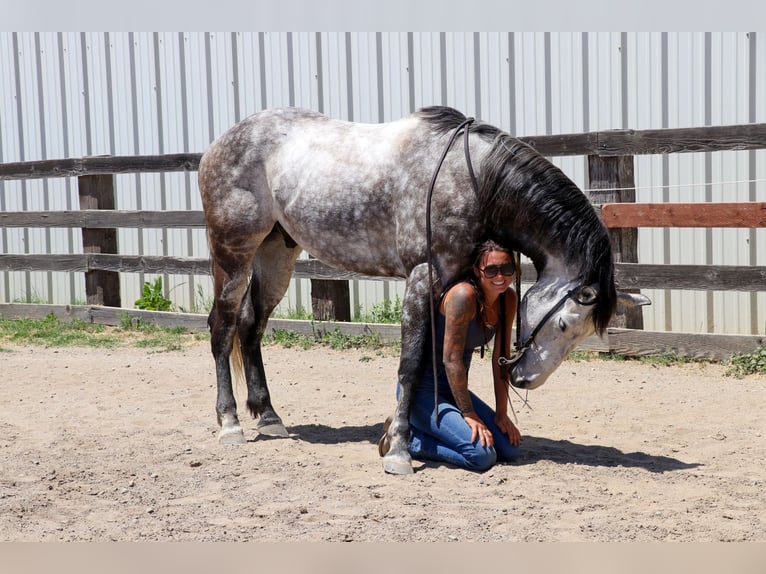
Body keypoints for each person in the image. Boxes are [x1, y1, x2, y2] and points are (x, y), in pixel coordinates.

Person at [379, 239, 522, 471]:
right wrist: (470, 414)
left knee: (510, 448)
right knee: (482, 456)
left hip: (455, 391)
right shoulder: (463, 295)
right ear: (477, 270)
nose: (500, 276)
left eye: (507, 269)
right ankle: (407, 437)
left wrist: (502, 414)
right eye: (491, 269)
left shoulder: (508, 299)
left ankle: (426, 430)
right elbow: (451, 359)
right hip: (425, 392)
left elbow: (501, 358)